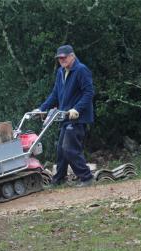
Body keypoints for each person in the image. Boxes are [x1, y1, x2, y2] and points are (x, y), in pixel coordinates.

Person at [33, 44, 95, 187]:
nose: (62, 60)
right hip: (65, 117)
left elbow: (89, 93)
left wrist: (77, 109)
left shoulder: (81, 70)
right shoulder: (61, 72)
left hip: (77, 117)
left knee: (69, 148)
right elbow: (55, 94)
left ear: (72, 56)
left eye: (64, 57)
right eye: (59, 58)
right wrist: (41, 109)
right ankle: (58, 180)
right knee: (61, 149)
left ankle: (86, 177)